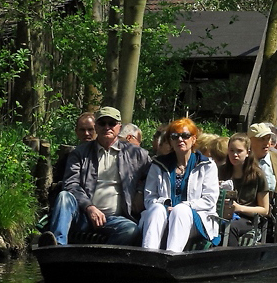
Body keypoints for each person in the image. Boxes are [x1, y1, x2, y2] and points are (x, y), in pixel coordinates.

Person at [39, 106, 150, 247]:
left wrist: (140, 191)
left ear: (119, 127)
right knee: (64, 196)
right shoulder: (79, 153)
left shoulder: (137, 154)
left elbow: (153, 175)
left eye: (112, 123)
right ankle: (57, 248)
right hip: (82, 215)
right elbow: (71, 184)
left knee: (131, 230)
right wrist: (89, 207)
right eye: (102, 123)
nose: (107, 127)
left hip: (115, 219)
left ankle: (102, 258)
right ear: (96, 126)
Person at [140, 117, 221, 252]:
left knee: (181, 211)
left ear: (193, 139)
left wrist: (184, 205)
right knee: (156, 209)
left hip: (196, 219)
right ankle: (148, 255)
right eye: (174, 136)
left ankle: (172, 256)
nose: (180, 139)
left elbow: (209, 200)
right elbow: (149, 198)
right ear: (170, 141)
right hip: (163, 216)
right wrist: (165, 205)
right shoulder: (158, 165)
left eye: (185, 135)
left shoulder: (207, 165)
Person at [218, 133, 269, 246]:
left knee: (231, 227)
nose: (235, 155)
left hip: (247, 219)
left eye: (239, 151)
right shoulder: (220, 171)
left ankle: (232, 258)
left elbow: (264, 210)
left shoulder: (257, 175)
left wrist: (239, 208)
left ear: (248, 153)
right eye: (231, 150)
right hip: (221, 215)